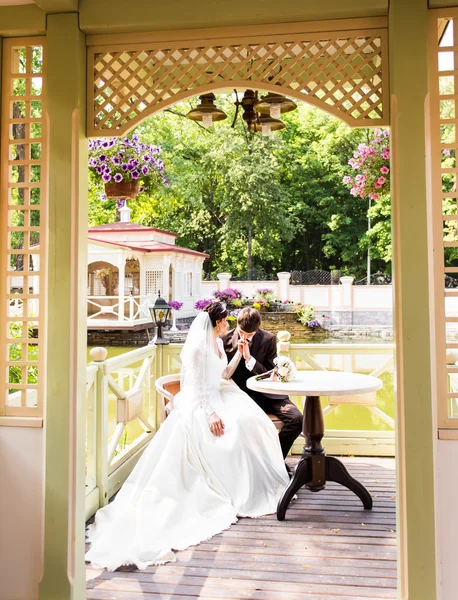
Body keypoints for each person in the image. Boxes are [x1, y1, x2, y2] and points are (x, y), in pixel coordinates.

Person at [85, 302, 289, 571]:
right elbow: (196, 386)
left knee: (253, 422)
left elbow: (224, 374)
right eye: (225, 321)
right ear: (217, 323)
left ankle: (259, 476)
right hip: (201, 402)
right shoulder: (196, 348)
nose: (228, 325)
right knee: (231, 431)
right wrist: (211, 414)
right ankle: (228, 487)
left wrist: (240, 354)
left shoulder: (217, 343)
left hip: (219, 393)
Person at [221, 307, 303, 460]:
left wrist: (249, 360)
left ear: (257, 329)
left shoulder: (268, 339)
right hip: (242, 396)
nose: (244, 337)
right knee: (245, 424)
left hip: (269, 394)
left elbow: (270, 373)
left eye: (249, 335)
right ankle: (257, 464)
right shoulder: (224, 339)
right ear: (237, 325)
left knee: (297, 419)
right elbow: (223, 373)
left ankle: (274, 460)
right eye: (242, 333)